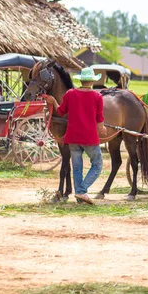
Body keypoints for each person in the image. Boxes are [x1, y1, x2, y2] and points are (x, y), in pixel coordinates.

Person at [44, 67, 107, 205]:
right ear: (91, 81)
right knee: (97, 164)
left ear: (81, 80)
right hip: (89, 138)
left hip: (72, 138)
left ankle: (80, 195)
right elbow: (99, 118)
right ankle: (82, 190)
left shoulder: (70, 94)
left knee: (77, 167)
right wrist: (102, 129)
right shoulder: (97, 96)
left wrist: (54, 101)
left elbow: (60, 112)